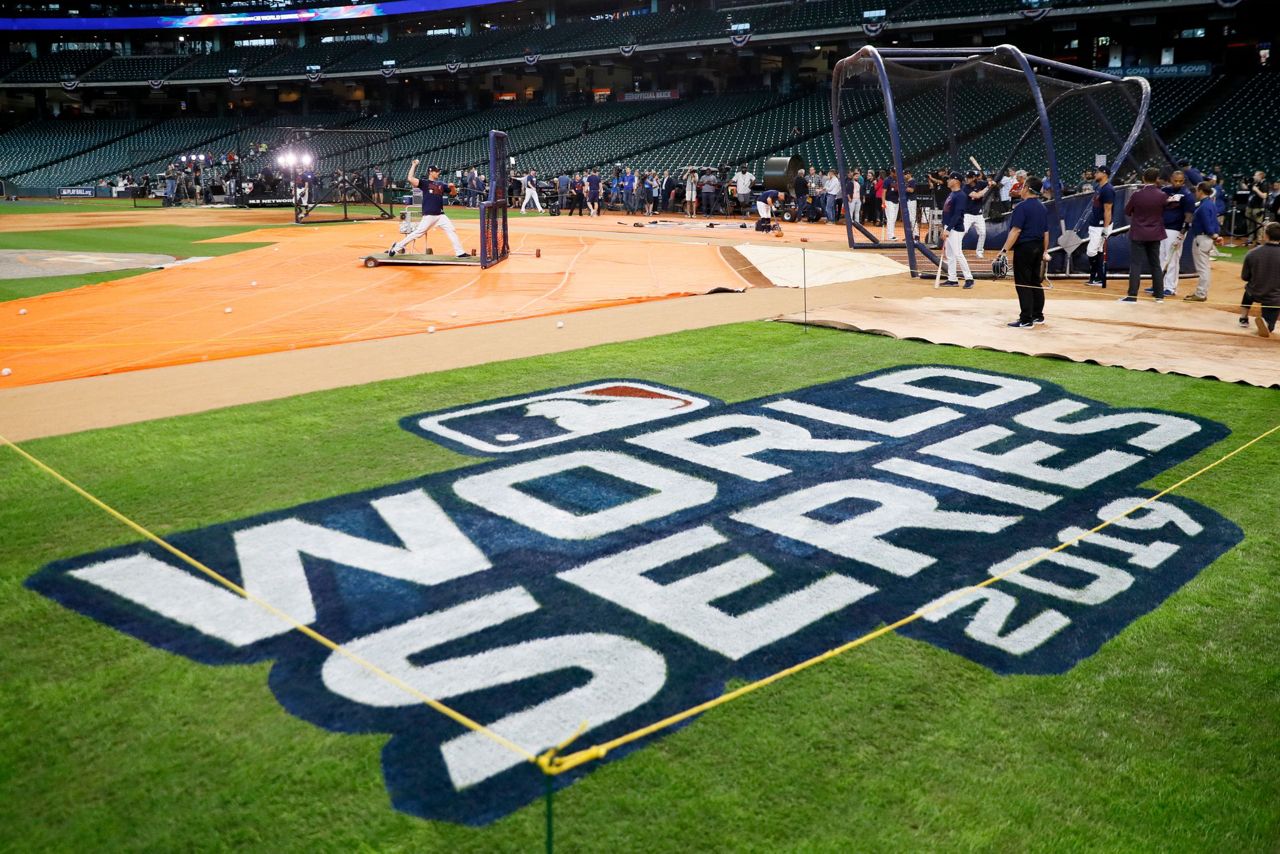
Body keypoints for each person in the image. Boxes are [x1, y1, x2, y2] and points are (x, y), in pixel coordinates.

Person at [996, 176, 1050, 328]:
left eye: (1023, 186)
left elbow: (1016, 230)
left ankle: (1026, 319)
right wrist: (1045, 251)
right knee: (1034, 281)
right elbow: (1046, 232)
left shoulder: (1021, 207)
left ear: (1027, 188)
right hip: (1038, 246)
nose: (1021, 188)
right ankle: (1038, 315)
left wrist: (1004, 250)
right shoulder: (1042, 207)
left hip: (1025, 247)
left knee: (1023, 283)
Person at [386, 160, 468, 258]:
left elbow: (453, 194)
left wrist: (452, 187)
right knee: (418, 233)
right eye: (436, 171)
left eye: (438, 171)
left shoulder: (441, 184)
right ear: (431, 172)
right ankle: (397, 247)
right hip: (429, 215)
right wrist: (414, 165)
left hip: (440, 215)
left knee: (451, 230)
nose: (438, 172)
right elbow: (410, 178)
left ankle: (460, 252)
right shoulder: (424, 183)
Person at [1120, 167, 1168, 303]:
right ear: (1157, 179)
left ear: (1143, 179)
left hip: (1138, 234)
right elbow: (1166, 209)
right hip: (1155, 234)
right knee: (1155, 264)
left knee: (1136, 264)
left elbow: (1127, 211)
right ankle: (1159, 296)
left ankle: (1132, 296)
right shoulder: (1162, 195)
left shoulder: (1137, 195)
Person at [1155, 170, 1194, 296]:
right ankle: (1158, 284)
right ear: (1171, 179)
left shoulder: (1187, 194)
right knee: (1160, 257)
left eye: (1181, 181)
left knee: (1172, 259)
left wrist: (1183, 231)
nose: (1178, 183)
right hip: (1162, 227)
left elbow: (1189, 215)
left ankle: (1170, 287)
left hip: (1176, 229)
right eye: (1175, 180)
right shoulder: (1165, 191)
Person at [1183, 180, 1222, 302]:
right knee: (1204, 267)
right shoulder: (1210, 204)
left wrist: (1214, 236)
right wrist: (1216, 236)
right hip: (1206, 238)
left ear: (1200, 191)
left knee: (1203, 268)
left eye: (1197, 190)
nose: (1196, 193)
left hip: (1202, 238)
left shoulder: (1204, 206)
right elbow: (1214, 223)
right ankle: (1201, 292)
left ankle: (1201, 293)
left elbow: (1207, 224)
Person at [1240, 221, 1280, 338]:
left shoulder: (1252, 253)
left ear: (1265, 235)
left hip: (1254, 291)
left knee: (1247, 291)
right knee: (1269, 327)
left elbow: (1245, 277)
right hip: (1274, 297)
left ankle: (1243, 317)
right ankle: (1267, 323)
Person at [940, 172, 974, 288]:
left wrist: (948, 228)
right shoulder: (952, 194)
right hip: (949, 227)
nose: (948, 181)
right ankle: (952, 279)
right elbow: (946, 212)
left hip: (955, 228)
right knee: (950, 255)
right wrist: (943, 227)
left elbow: (957, 214)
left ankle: (969, 278)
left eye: (950, 179)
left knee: (958, 253)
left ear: (956, 181)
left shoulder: (960, 195)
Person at [1084, 165, 1115, 287]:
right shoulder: (1099, 187)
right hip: (1095, 224)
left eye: (1097, 172)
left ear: (1104, 174)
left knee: (1091, 251)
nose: (1095, 174)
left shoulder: (1108, 189)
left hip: (1101, 225)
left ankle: (1096, 276)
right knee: (1098, 250)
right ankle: (1097, 277)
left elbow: (1108, 210)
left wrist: (1106, 228)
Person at [962, 169, 989, 258]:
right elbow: (977, 196)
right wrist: (988, 188)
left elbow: (992, 183)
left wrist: (991, 183)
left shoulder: (980, 183)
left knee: (983, 233)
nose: (967, 179)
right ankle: (957, 249)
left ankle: (979, 251)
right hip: (968, 214)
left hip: (978, 214)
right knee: (963, 232)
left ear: (974, 178)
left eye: (969, 178)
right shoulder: (965, 187)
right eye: (966, 177)